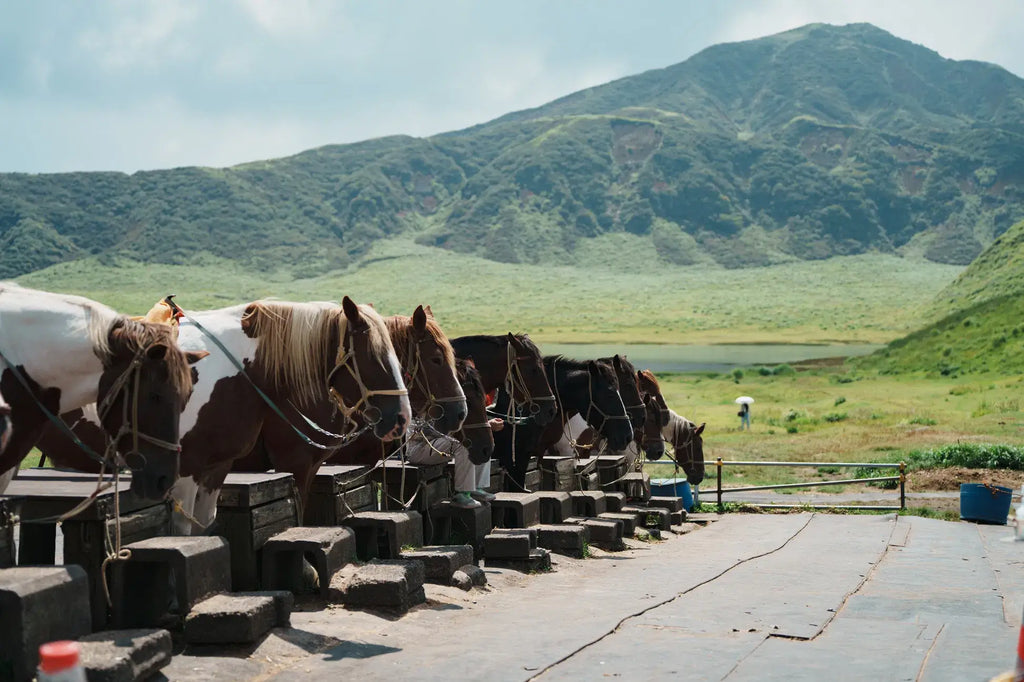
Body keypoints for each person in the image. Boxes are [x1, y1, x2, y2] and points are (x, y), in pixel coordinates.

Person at [404, 416, 504, 509]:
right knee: (464, 443)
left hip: (439, 445)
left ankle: (476, 488)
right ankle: (462, 494)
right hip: (419, 449)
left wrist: (484, 425)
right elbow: (428, 431)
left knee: (483, 439)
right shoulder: (425, 403)